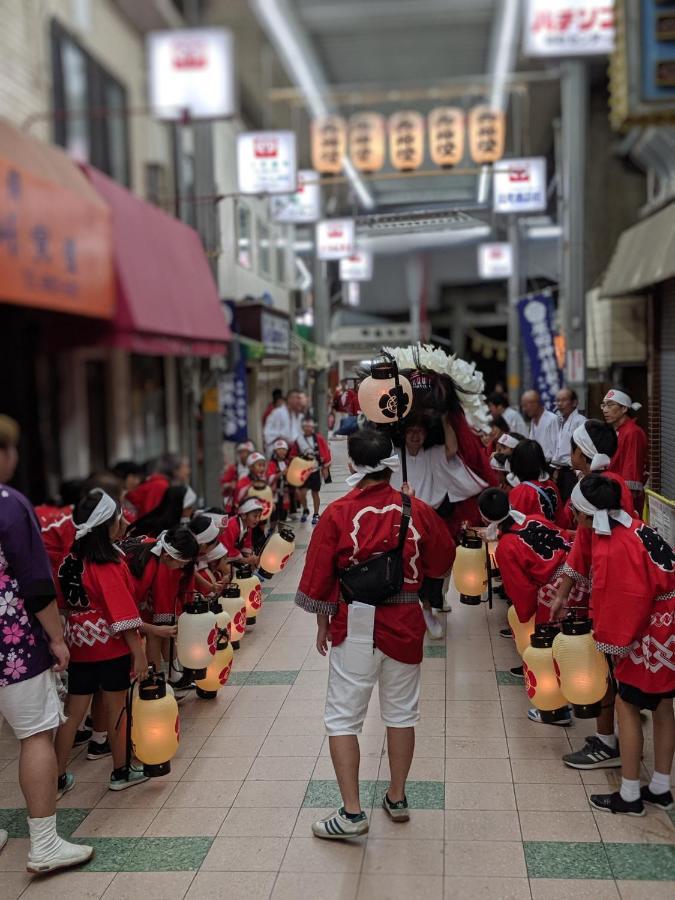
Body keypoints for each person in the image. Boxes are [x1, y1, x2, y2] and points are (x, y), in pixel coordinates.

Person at [295, 428, 456, 839]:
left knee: (343, 719)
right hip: (405, 621)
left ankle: (351, 814)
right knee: (402, 714)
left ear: (351, 463)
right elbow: (441, 561)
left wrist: (322, 621)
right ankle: (397, 797)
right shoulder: (414, 509)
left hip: (358, 620)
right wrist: (409, 507)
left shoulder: (337, 512)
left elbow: (318, 575)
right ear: (387, 460)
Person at [0, 416, 94, 874]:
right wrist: (57, 638)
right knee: (35, 735)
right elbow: (37, 584)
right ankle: (44, 844)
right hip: (12, 644)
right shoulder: (9, 505)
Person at [568, 475, 675, 816]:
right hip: (668, 620)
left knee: (626, 704)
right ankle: (660, 787)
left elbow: (625, 601)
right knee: (662, 705)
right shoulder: (635, 527)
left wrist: (613, 646)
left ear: (589, 515)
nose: (575, 518)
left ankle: (629, 794)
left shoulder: (616, 547)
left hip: (650, 627)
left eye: (577, 512)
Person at [548, 420, 638, 770]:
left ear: (583, 452)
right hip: (608, 586)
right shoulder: (605, 482)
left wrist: (563, 592)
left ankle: (607, 743)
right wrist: (564, 591)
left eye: (572, 448)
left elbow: (585, 547)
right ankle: (607, 737)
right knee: (606, 667)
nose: (569, 454)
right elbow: (583, 547)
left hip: (614, 591)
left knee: (606, 668)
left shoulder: (600, 486)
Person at [54, 490, 149, 797]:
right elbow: (122, 616)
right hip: (110, 648)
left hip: (79, 646)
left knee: (72, 715)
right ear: (107, 525)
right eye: (118, 516)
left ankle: (55, 778)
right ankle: (121, 772)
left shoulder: (70, 558)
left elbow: (63, 605)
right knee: (117, 709)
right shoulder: (107, 563)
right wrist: (139, 654)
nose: (123, 521)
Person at [478, 488, 587, 721]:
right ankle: (594, 696)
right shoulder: (534, 520)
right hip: (582, 574)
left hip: (556, 590)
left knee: (549, 648)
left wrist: (524, 613)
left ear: (486, 518)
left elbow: (522, 590)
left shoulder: (507, 546)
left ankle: (556, 709)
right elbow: (566, 537)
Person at [389, 413, 459, 638]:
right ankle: (425, 607)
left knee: (440, 559)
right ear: (403, 434)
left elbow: (452, 449)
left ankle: (435, 599)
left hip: (431, 517)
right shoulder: (394, 455)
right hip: (402, 516)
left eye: (420, 431)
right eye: (410, 431)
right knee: (411, 563)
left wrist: (446, 418)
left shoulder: (433, 453)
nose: (415, 435)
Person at [602, 388, 649, 515]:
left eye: (610, 405)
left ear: (624, 408)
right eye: (604, 405)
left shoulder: (633, 432)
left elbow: (631, 471)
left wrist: (625, 503)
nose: (605, 410)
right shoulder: (616, 431)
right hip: (615, 494)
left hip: (625, 500)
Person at [507, 439, 564, 526]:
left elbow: (515, 525)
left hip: (532, 538)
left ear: (516, 463)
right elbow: (561, 520)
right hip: (555, 535)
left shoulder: (519, 492)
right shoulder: (551, 485)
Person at [292, 416, 331, 525]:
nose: (308, 429)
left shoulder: (318, 438)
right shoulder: (298, 440)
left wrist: (325, 468)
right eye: (306, 427)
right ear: (303, 428)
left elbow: (326, 452)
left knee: (315, 492)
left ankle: (316, 513)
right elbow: (293, 455)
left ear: (312, 428)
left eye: (310, 427)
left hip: (315, 469)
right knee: (302, 493)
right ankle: (305, 509)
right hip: (303, 470)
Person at [551, 388, 586, 501]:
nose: (560, 404)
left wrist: (580, 472)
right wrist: (556, 469)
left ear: (574, 402)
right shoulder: (559, 420)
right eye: (558, 401)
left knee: (571, 503)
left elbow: (583, 448)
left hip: (574, 471)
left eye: (564, 400)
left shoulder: (580, 421)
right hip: (561, 470)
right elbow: (558, 447)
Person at [128, 484, 196, 538]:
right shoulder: (152, 528)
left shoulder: (176, 525)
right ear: (178, 507)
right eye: (189, 507)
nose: (192, 510)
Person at [220, 498, 264, 567]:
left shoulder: (248, 526)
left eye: (259, 516)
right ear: (244, 515)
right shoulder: (232, 525)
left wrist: (251, 557)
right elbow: (227, 550)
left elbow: (247, 545)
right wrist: (247, 560)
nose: (258, 519)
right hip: (219, 558)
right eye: (255, 516)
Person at [522, 390, 560, 464]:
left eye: (525, 405)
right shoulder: (533, 420)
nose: (524, 409)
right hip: (536, 465)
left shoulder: (552, 419)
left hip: (550, 465)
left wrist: (556, 469)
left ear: (535, 404)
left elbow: (557, 447)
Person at [263, 389, 304, 453]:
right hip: (278, 449)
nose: (299, 401)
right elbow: (267, 432)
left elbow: (297, 435)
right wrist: (280, 437)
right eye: (297, 398)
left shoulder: (295, 415)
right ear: (290, 399)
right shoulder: (277, 413)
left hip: (291, 450)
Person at [221, 441, 255, 513]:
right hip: (235, 500)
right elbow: (223, 484)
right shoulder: (233, 468)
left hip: (252, 499)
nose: (244, 455)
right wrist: (230, 485)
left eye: (246, 452)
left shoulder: (255, 468)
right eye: (241, 452)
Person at [267, 439, 290, 524]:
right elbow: (269, 478)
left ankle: (281, 534)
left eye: (284, 450)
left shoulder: (287, 462)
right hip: (275, 494)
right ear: (275, 451)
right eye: (279, 449)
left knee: (283, 516)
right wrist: (281, 474)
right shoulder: (271, 463)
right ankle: (272, 533)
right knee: (274, 516)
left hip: (284, 493)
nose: (282, 452)